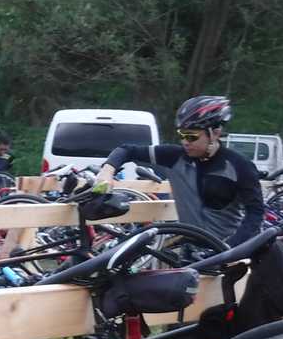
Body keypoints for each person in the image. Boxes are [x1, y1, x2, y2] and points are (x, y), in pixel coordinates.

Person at [94, 95, 263, 247]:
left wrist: (229, 247)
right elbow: (126, 150)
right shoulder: (175, 157)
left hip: (226, 250)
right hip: (189, 249)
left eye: (192, 136)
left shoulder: (239, 165)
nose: (185, 142)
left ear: (215, 133)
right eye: (182, 135)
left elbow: (255, 214)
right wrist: (106, 172)